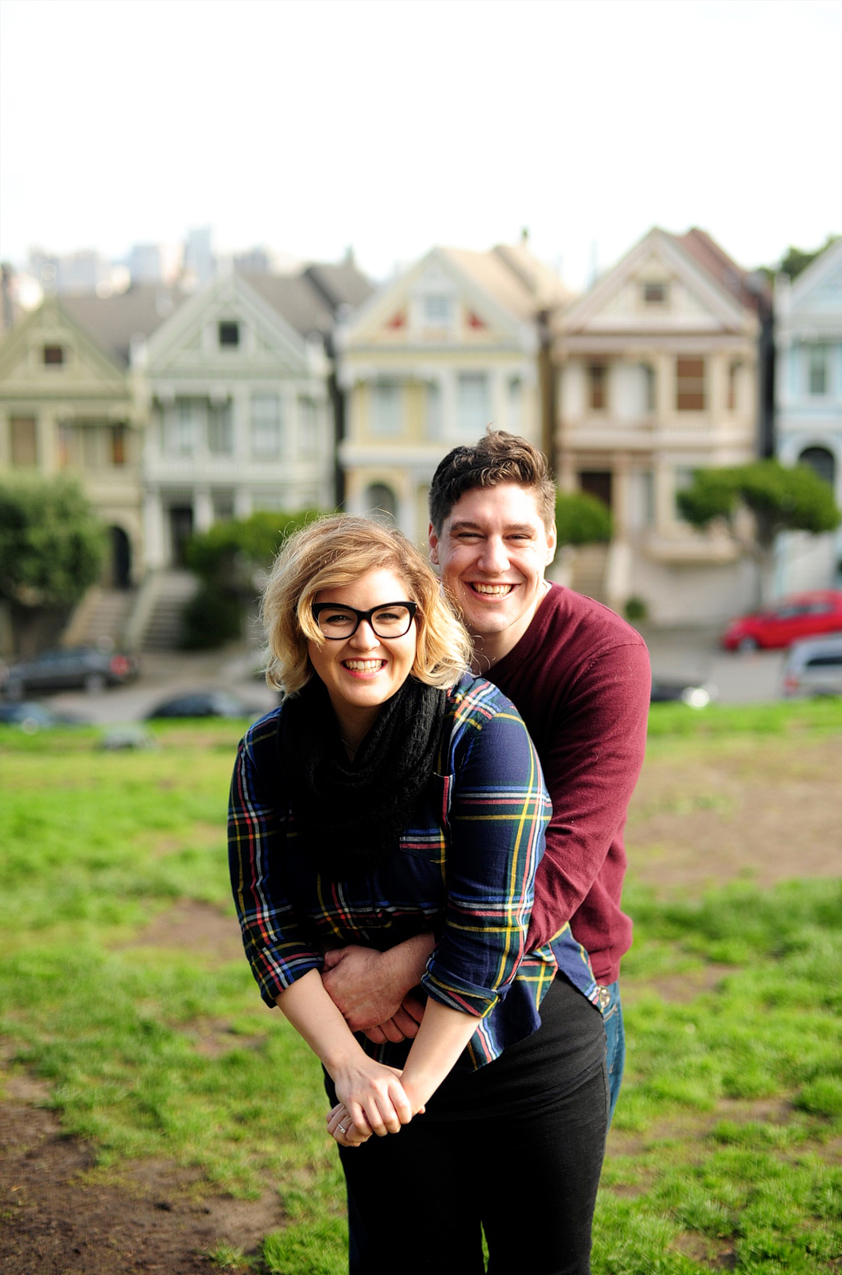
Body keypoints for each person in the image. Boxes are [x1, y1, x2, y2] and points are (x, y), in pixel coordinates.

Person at [228, 514, 611, 1275]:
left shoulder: (483, 728)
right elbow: (269, 928)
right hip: (369, 1062)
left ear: (420, 619)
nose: (364, 639)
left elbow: (489, 929)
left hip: (524, 1045)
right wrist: (350, 1068)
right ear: (300, 626)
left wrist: (408, 1091)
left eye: (388, 614)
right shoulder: (267, 753)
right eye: (335, 614)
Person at [322, 432, 651, 1122]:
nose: (494, 560)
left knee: (540, 1232)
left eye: (518, 536)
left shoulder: (605, 657)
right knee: (410, 1232)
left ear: (551, 541)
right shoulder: (396, 649)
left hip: (557, 983)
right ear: (435, 541)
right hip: (401, 1017)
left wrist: (402, 966)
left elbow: (560, 866)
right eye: (470, 534)